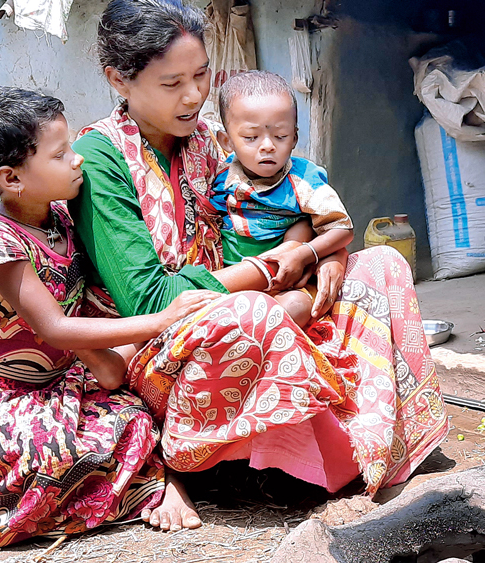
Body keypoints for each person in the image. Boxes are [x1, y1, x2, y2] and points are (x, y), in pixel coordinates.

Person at [71, 0, 449, 531]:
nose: (193, 95)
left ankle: (363, 444)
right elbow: (149, 301)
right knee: (253, 313)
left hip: (240, 300)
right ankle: (219, 460)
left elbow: (285, 206)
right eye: (171, 82)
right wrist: (277, 270)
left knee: (381, 264)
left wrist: (319, 251)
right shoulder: (102, 159)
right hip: (154, 342)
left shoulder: (208, 139)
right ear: (120, 81)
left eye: (201, 75)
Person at [0, 86, 218, 547]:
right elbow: (54, 327)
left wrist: (106, 361)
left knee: (134, 417)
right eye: (60, 154)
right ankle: (149, 490)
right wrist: (162, 320)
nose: (77, 160)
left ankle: (156, 486)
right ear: (12, 178)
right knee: (53, 450)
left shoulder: (61, 216)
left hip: (58, 384)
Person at [210, 70, 354, 327]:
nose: (267, 146)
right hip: (233, 280)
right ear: (227, 141)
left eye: (280, 136)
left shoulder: (303, 179)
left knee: (295, 308)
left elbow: (342, 228)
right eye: (251, 138)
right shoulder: (221, 177)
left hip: (286, 282)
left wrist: (304, 254)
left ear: (295, 138)